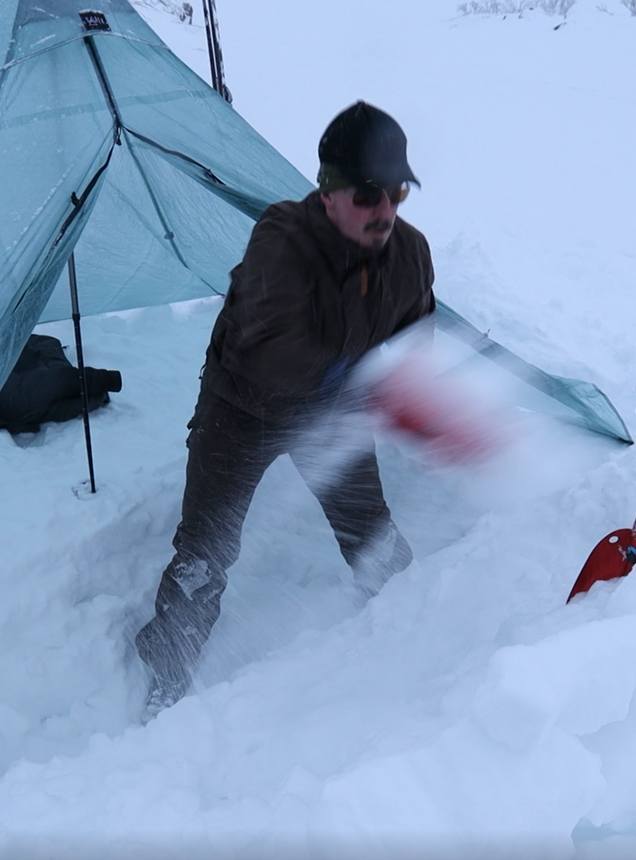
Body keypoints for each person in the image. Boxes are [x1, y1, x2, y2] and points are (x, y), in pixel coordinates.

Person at [134, 101, 437, 716]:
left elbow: (415, 339)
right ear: (328, 192)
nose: (386, 210)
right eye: (369, 193)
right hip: (242, 408)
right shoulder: (280, 238)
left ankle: (415, 631)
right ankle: (164, 680)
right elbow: (278, 348)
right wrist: (361, 381)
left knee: (372, 534)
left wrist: (410, 388)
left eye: (398, 191)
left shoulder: (411, 254)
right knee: (205, 551)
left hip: (333, 413)